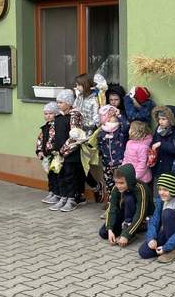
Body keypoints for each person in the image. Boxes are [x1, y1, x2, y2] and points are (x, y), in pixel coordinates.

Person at [139, 173, 175, 263]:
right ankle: (169, 246)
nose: (161, 192)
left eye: (165, 190)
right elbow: (154, 221)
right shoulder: (162, 200)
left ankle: (173, 250)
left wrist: (167, 247)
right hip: (166, 232)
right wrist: (151, 238)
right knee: (144, 252)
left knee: (167, 213)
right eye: (160, 189)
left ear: (173, 189)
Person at [98, 163, 152, 247]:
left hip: (142, 217)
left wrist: (126, 235)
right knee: (103, 233)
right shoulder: (116, 188)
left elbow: (140, 214)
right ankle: (126, 230)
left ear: (129, 181)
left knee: (128, 198)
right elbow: (111, 209)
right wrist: (110, 230)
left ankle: (131, 230)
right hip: (125, 213)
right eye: (116, 182)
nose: (118, 186)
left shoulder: (141, 189)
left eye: (121, 183)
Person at [50, 89, 85, 212]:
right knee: (61, 175)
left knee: (70, 176)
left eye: (61, 102)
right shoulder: (58, 117)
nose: (58, 105)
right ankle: (63, 197)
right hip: (59, 153)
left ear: (69, 103)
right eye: (57, 102)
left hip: (71, 153)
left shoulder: (74, 116)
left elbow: (75, 136)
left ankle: (72, 199)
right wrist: (53, 148)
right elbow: (53, 133)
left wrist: (63, 150)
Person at [73, 73, 105, 203]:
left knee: (82, 165)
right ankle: (80, 193)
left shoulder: (94, 99)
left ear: (85, 85)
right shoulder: (79, 97)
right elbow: (75, 111)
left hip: (88, 137)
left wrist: (83, 126)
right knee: (77, 164)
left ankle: (95, 186)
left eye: (78, 85)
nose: (76, 87)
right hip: (76, 135)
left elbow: (96, 121)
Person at [97, 105, 127, 196]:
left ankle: (122, 201)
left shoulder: (120, 130)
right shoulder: (102, 132)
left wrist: (119, 115)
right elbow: (100, 145)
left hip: (119, 163)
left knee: (121, 183)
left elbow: (126, 125)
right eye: (110, 116)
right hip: (106, 164)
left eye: (114, 116)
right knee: (109, 184)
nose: (113, 117)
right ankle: (112, 200)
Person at [150, 105, 175, 185]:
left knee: (164, 188)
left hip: (168, 166)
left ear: (171, 119)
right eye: (159, 119)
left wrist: (161, 144)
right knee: (156, 187)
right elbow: (154, 141)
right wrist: (151, 154)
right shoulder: (159, 128)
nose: (160, 121)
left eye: (163, 119)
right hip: (157, 164)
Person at [36, 102, 60, 204]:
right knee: (50, 175)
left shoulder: (58, 126)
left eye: (50, 113)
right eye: (46, 114)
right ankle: (52, 191)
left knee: (57, 175)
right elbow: (40, 140)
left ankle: (58, 193)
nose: (48, 116)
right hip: (47, 155)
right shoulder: (45, 127)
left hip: (55, 155)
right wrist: (39, 151)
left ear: (56, 114)